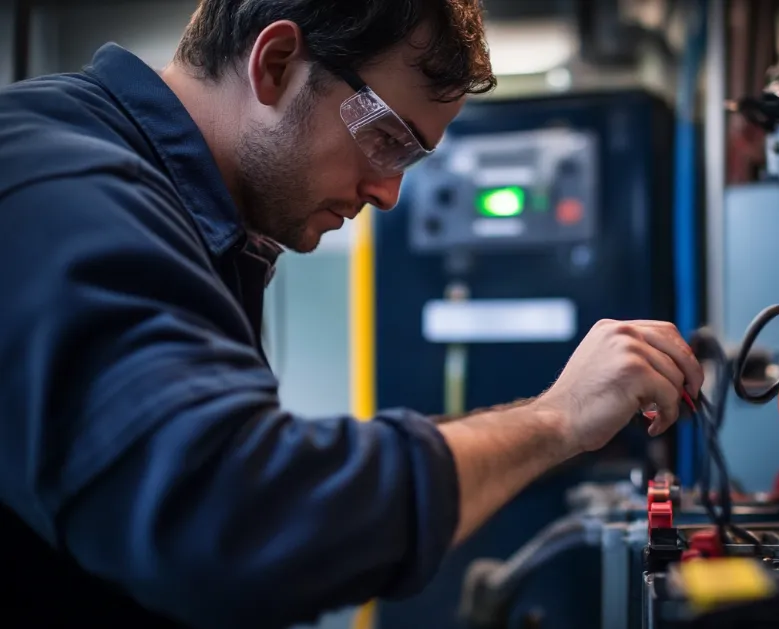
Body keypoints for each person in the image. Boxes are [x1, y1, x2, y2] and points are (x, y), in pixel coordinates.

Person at [0, 1, 703, 628]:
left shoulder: (193, 222)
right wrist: (556, 419)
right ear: (275, 64)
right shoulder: (63, 190)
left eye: (411, 159)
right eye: (388, 139)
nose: (389, 193)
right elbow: (239, 526)